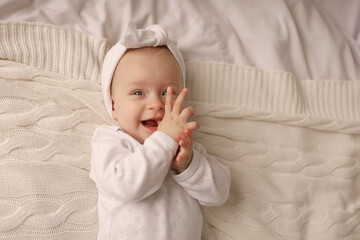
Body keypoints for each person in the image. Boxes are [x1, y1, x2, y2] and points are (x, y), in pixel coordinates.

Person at [90, 22, 231, 240]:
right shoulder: (111, 142)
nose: (156, 103)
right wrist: (164, 140)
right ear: (114, 105)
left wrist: (188, 166)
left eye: (168, 92)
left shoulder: (185, 147)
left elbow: (219, 193)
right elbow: (126, 187)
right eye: (138, 92)